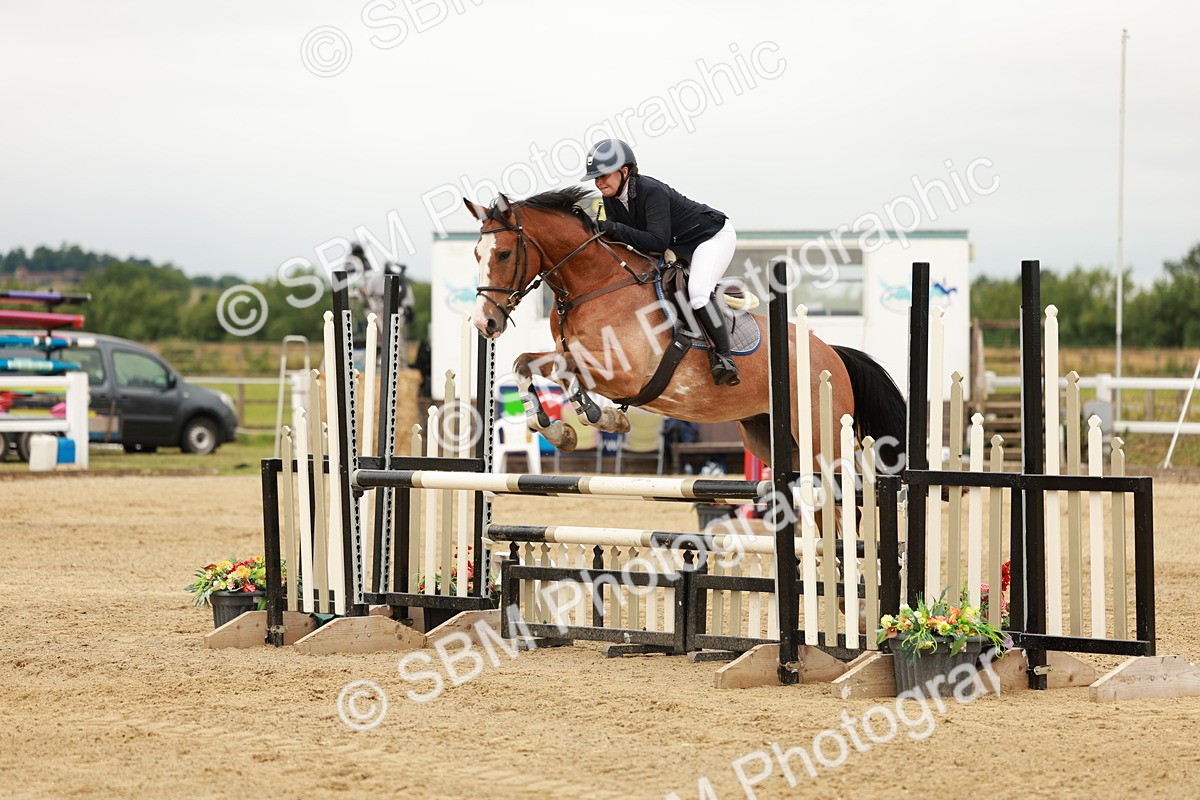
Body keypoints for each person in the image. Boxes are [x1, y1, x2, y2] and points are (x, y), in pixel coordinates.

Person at [582, 139, 740, 386]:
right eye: (595, 177)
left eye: (603, 175)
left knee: (698, 293)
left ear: (625, 171)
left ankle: (724, 358)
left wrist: (614, 228)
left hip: (710, 238)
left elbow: (655, 241)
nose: (599, 182)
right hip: (677, 246)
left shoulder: (650, 190)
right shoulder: (611, 198)